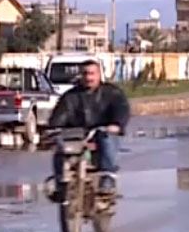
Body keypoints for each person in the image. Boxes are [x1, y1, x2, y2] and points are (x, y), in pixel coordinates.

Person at [48, 59, 129, 197]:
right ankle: (61, 184)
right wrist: (53, 128)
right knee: (60, 148)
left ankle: (107, 178)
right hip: (78, 136)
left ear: (99, 74)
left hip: (102, 132)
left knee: (106, 139)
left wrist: (116, 124)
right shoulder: (70, 96)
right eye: (85, 73)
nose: (89, 77)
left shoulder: (112, 93)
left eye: (92, 73)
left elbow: (121, 108)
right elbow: (60, 114)